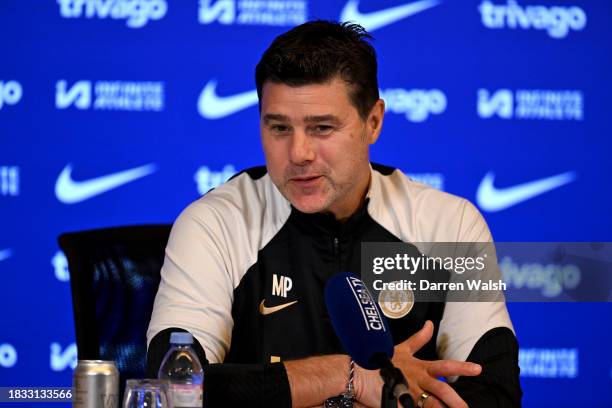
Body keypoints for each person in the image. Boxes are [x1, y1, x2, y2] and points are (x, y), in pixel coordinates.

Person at [147, 21, 521, 408]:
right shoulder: (215, 223)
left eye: (322, 127)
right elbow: (174, 386)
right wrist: (350, 377)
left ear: (373, 122)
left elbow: (497, 395)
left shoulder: (449, 224)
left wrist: (400, 395)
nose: (299, 153)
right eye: (278, 128)